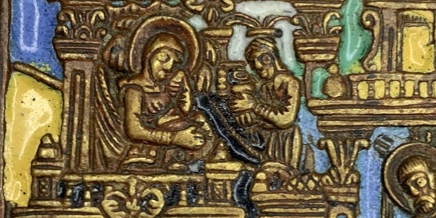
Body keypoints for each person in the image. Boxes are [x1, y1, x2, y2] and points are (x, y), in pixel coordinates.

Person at [120, 32, 212, 169]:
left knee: (202, 123)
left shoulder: (168, 86)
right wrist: (175, 138)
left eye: (175, 63)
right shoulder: (134, 89)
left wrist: (185, 87)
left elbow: (185, 111)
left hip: (178, 133)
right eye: (164, 58)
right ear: (148, 56)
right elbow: (134, 130)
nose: (169, 67)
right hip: (149, 148)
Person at [229, 38, 302, 169]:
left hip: (286, 140)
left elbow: (286, 119)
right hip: (267, 139)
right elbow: (263, 119)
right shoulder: (264, 87)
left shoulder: (290, 82)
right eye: (252, 62)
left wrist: (253, 105)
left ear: (272, 59)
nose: (257, 66)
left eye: (262, 59)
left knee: (282, 173)